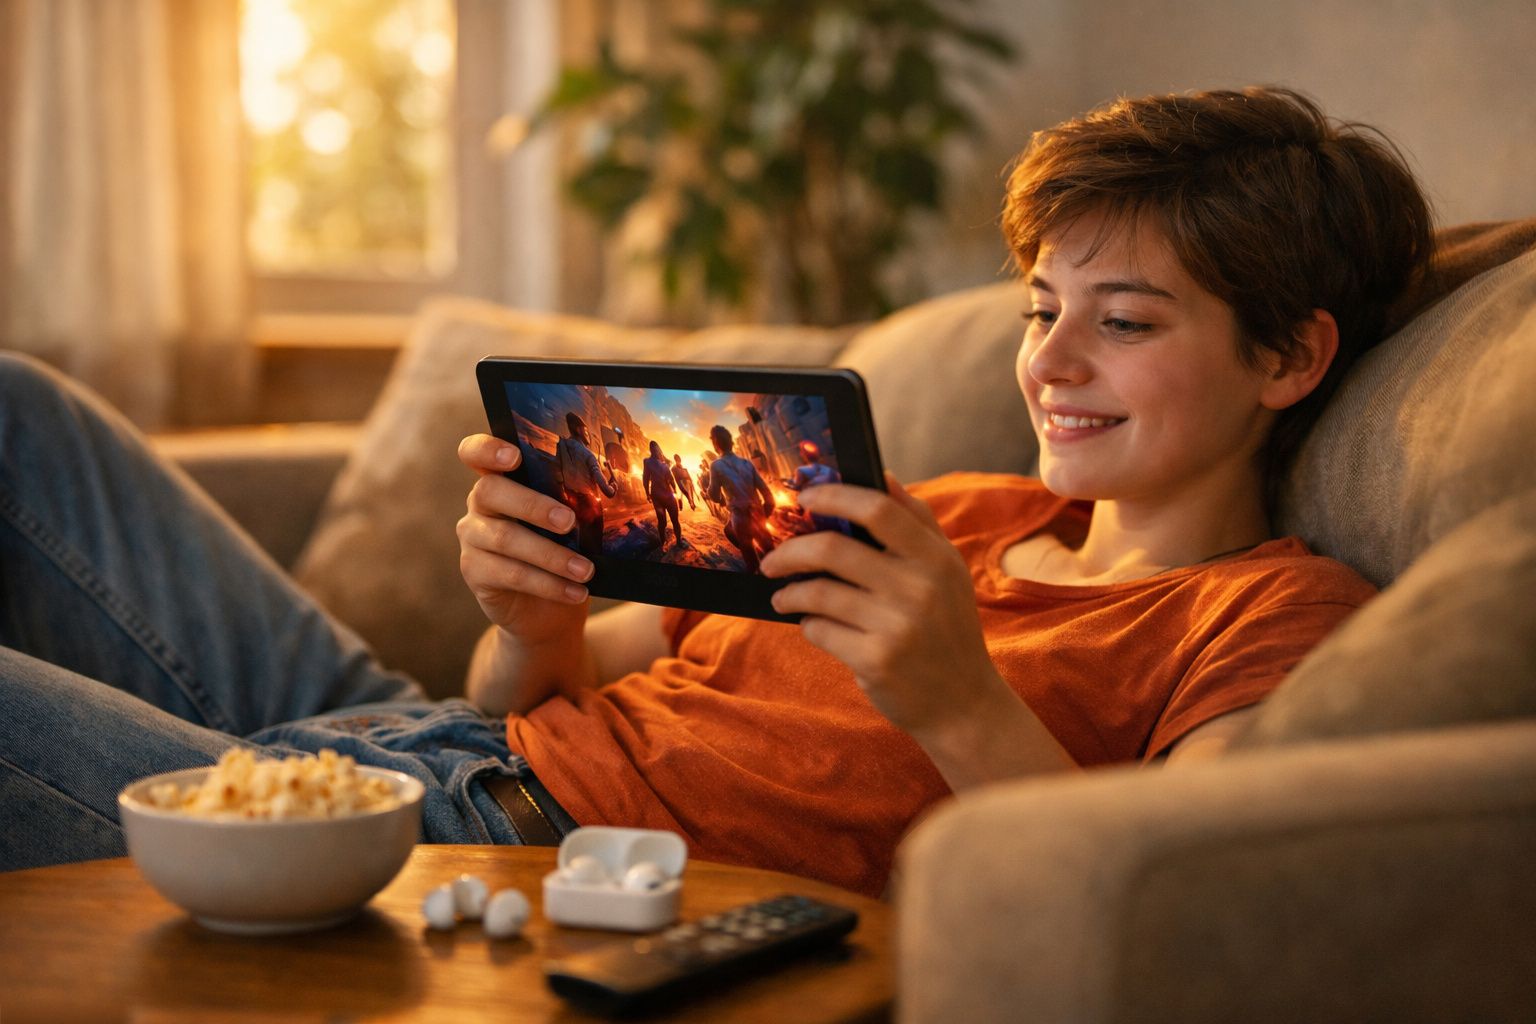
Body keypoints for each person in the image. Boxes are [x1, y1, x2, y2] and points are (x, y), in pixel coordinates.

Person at [0, 87, 1432, 897]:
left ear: (1289, 355)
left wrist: (952, 693)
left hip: (483, 844)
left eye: (1124, 321)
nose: (1051, 361)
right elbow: (544, 691)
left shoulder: (1275, 615)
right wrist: (532, 611)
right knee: (19, 412)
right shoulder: (956, 510)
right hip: (413, 731)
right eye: (1039, 308)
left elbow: (1183, 897)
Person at [704, 425, 778, 573]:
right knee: (772, 556)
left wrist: (711, 494)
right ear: (730, 441)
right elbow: (768, 495)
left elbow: (714, 495)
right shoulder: (746, 463)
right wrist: (764, 514)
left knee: (751, 561)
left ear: (716, 443)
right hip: (757, 514)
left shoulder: (716, 466)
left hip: (740, 518)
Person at [554, 412, 617, 559]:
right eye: (586, 431)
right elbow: (606, 490)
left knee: (582, 534)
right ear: (578, 430)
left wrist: (562, 488)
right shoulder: (587, 454)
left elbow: (557, 468)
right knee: (595, 541)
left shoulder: (561, 445)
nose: (588, 434)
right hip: (590, 502)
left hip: (572, 497)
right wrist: (614, 487)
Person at [782, 440, 848, 534]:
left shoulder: (801, 470)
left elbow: (795, 486)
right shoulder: (829, 470)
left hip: (818, 512)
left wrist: (785, 483)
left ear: (803, 455)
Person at [641, 441, 684, 549]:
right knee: (662, 521)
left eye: (656, 448)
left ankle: (678, 541)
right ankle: (663, 543)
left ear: (659, 450)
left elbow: (671, 478)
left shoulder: (664, 464)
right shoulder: (647, 462)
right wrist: (647, 493)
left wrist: (675, 491)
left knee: (675, 520)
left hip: (668, 495)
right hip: (657, 497)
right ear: (651, 450)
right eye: (653, 448)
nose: (655, 450)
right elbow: (645, 478)